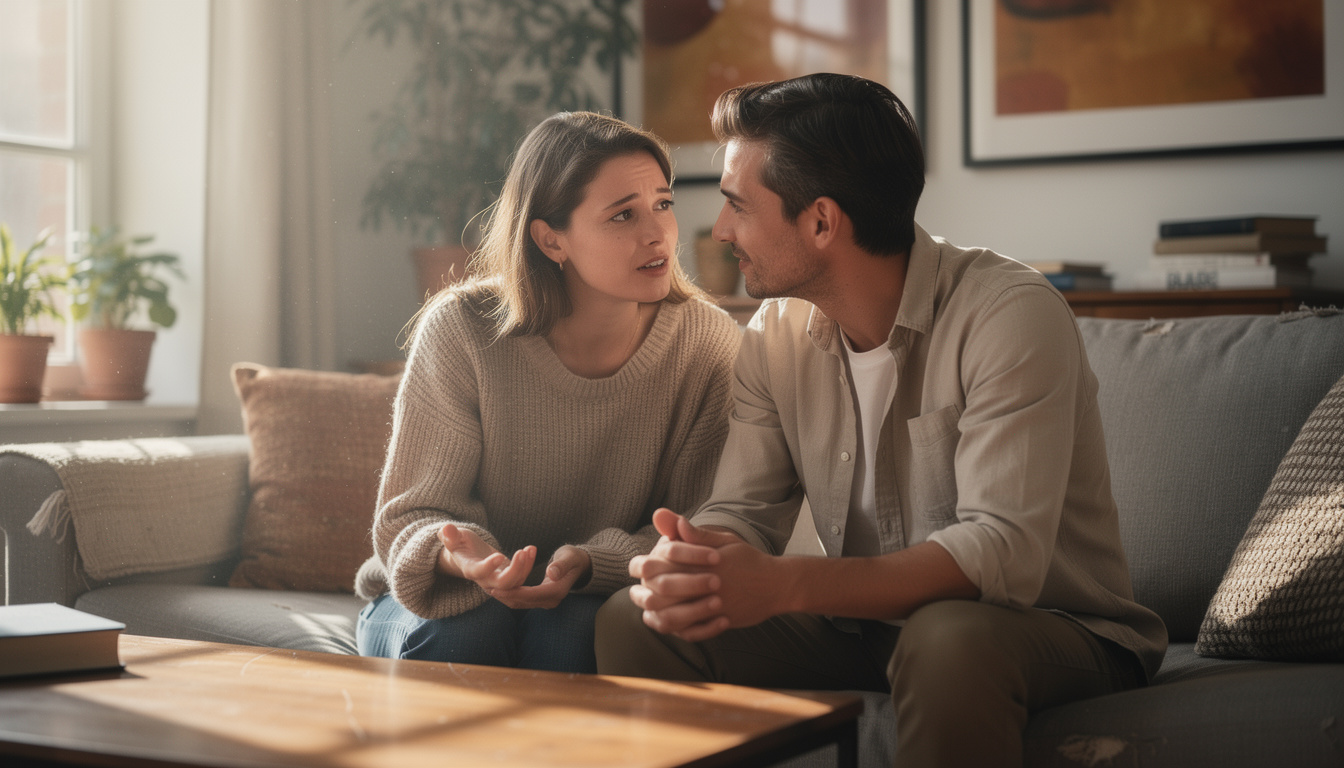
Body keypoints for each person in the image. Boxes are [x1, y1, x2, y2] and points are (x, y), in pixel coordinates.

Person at [594, 74, 1167, 765]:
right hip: (866, 629)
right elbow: (744, 510)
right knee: (638, 622)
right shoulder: (774, 334)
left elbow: (1002, 549)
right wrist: (699, 560)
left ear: (822, 221)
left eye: (738, 206)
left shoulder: (1010, 314)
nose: (720, 231)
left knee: (947, 637)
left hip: (1050, 629)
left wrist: (783, 584)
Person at [354, 111, 741, 674]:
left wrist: (590, 563)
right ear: (550, 239)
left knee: (576, 635)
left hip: (588, 595)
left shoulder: (706, 344)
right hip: (438, 597)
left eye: (663, 203)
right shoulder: (461, 329)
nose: (658, 232)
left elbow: (693, 524)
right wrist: (467, 559)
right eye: (622, 215)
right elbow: (411, 513)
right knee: (471, 630)